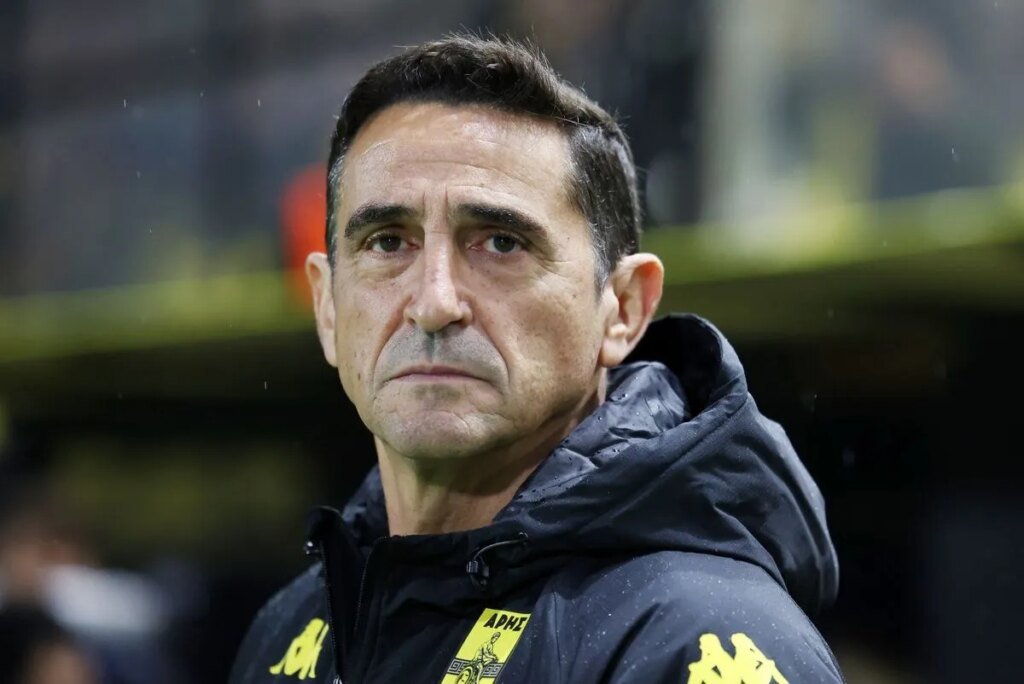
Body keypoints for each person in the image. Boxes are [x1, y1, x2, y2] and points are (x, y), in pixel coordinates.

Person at [230, 35, 843, 683]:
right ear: (327, 307)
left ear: (623, 308)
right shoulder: (287, 634)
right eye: (387, 243)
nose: (434, 303)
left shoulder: (696, 643)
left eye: (500, 243)